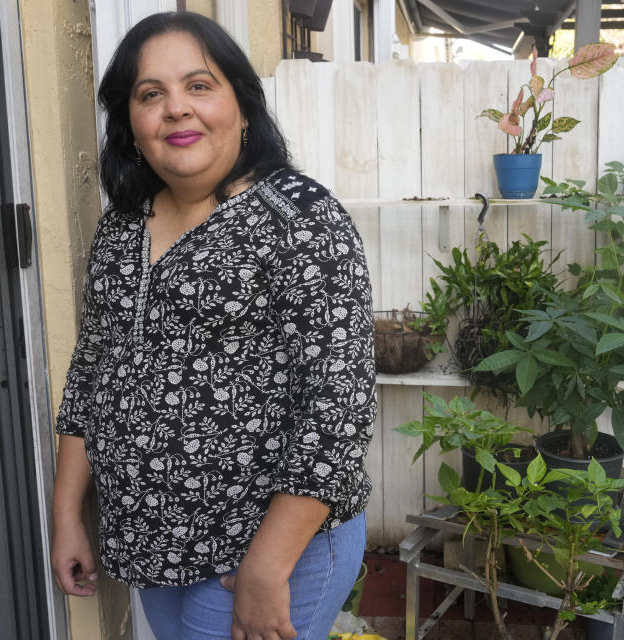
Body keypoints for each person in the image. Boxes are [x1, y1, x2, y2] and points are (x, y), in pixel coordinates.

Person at [49, 12, 376, 640]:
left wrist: (266, 565)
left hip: (264, 556)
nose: (176, 109)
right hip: (153, 549)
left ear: (242, 106)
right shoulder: (123, 227)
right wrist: (69, 513)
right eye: (151, 95)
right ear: (131, 126)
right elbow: (91, 373)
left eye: (199, 86)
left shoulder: (299, 220)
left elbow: (337, 408)